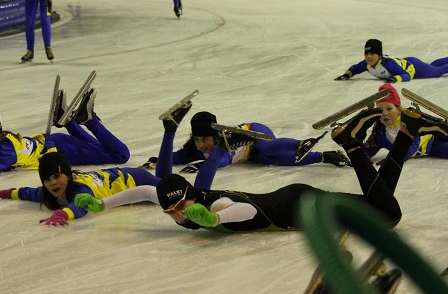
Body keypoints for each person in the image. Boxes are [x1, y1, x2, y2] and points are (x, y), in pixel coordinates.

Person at [77, 100, 448, 233]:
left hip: (305, 210)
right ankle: (406, 134)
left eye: (180, 206)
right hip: (298, 200)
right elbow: (144, 191)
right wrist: (100, 205)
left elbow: (238, 209)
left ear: (191, 196)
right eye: (172, 211)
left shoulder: (211, 205)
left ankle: (351, 142)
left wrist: (216, 219)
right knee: (378, 201)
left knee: (387, 215)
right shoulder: (189, 198)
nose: (177, 214)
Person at [0, 90, 130, 179]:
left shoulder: (6, 149)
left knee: (120, 155)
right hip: (55, 143)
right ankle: (68, 122)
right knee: (101, 150)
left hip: (62, 150)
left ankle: (88, 120)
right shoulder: (3, 143)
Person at [143, 106, 351, 191]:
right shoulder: (196, 148)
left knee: (269, 149)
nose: (201, 145)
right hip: (250, 155)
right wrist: (157, 159)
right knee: (276, 161)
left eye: (205, 139)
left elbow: (222, 160)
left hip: (254, 133)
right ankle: (325, 156)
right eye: (197, 140)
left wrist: (201, 164)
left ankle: (301, 143)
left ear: (215, 136)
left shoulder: (222, 141)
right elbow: (179, 155)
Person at [0, 151, 160, 225]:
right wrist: (6, 193)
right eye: (47, 180)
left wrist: (62, 214)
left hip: (134, 180)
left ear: (68, 176)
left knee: (171, 191)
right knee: (166, 182)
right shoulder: (47, 191)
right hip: (125, 180)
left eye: (56, 177)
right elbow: (28, 193)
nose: (52, 183)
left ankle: (169, 132)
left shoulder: (80, 189)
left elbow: (80, 206)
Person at [365, 83, 448, 163]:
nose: (384, 113)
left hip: (434, 136)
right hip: (432, 148)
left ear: (399, 110)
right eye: (380, 110)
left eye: (389, 109)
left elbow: (413, 146)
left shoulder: (409, 122)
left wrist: (393, 160)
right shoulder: (380, 134)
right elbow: (367, 152)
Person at [334, 39, 448, 83]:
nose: (368, 57)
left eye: (372, 54)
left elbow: (406, 75)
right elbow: (355, 68)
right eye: (366, 54)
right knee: (433, 66)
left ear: (379, 55)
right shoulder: (366, 64)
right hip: (408, 62)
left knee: (438, 71)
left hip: (415, 68)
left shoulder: (388, 64)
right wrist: (347, 75)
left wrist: (395, 79)